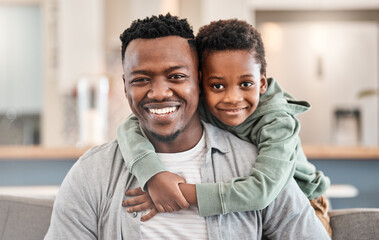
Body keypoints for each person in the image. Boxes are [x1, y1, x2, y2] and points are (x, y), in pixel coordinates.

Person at [45, 14, 330, 239]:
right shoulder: (92, 173)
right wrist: (153, 174)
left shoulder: (254, 162)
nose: (158, 93)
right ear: (125, 86)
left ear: (198, 81)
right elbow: (128, 127)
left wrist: (183, 192)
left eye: (176, 76)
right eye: (141, 79)